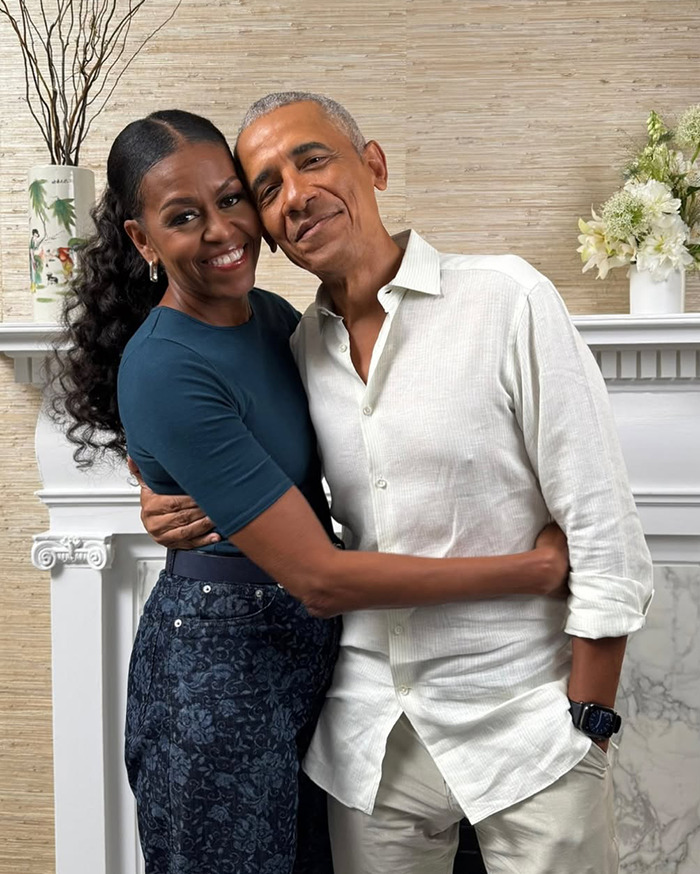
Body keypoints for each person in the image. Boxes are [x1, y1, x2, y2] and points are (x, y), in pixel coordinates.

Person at [141, 93, 654, 874]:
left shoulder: (504, 300)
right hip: (369, 739)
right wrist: (153, 484)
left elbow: (605, 530)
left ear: (372, 165)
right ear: (270, 230)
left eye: (312, 160)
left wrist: (589, 717)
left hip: (527, 725)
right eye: (269, 187)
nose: (295, 194)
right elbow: (191, 398)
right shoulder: (298, 340)